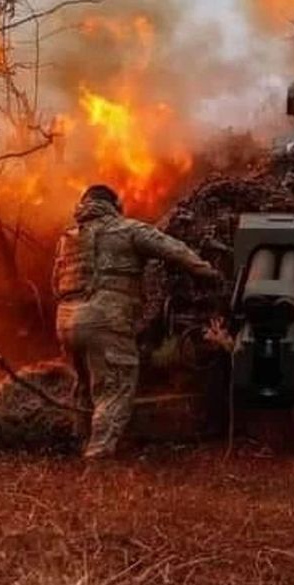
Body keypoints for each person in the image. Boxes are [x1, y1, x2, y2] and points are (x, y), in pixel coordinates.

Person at [53, 184, 221, 459]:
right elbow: (173, 249)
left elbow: (55, 283)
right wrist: (207, 272)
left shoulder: (67, 238)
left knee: (84, 385)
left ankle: (79, 440)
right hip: (106, 319)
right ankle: (98, 456)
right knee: (115, 387)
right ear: (115, 205)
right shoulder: (128, 229)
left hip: (66, 320)